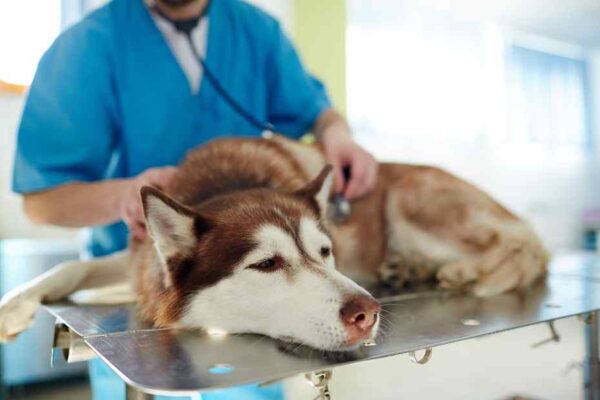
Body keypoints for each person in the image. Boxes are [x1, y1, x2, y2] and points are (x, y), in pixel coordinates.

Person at [12, 0, 377, 399]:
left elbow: (316, 112)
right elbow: (41, 202)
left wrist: (337, 135)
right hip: (134, 286)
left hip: (247, 303)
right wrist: (123, 196)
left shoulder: (255, 32)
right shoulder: (88, 46)